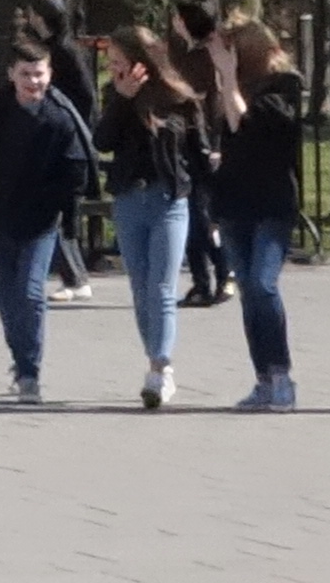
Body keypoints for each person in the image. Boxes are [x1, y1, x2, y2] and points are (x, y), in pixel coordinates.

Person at [0, 33, 102, 404]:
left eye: (40, 74)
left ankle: (30, 371)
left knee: (31, 293)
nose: (34, 82)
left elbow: (76, 170)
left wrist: (69, 216)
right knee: (7, 296)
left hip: (41, 220)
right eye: (27, 74)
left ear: (50, 74)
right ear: (12, 73)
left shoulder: (59, 119)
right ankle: (19, 359)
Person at [95, 27, 213, 406]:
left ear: (141, 61)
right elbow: (102, 142)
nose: (113, 68)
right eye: (110, 63)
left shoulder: (177, 97)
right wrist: (122, 100)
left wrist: (210, 204)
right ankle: (158, 362)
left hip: (168, 200)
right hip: (130, 198)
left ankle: (158, 370)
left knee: (161, 288)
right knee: (140, 287)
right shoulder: (115, 94)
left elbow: (197, 152)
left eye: (119, 61)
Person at [207, 20, 310, 410]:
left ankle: (282, 374)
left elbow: (246, 122)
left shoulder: (283, 89)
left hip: (271, 202)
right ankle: (264, 377)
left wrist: (230, 77)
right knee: (249, 290)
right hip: (235, 201)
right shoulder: (231, 89)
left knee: (264, 284)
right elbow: (230, 129)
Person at [23, 0, 102, 299]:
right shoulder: (52, 49)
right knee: (56, 208)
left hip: (68, 140)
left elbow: (86, 95)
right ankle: (72, 275)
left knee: (59, 209)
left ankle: (75, 278)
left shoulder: (65, 51)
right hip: (56, 138)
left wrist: (75, 126)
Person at [167, 0, 229, 306]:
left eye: (178, 18)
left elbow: (213, 102)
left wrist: (215, 145)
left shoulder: (202, 57)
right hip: (197, 140)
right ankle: (209, 277)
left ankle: (217, 273)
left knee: (197, 214)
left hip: (198, 142)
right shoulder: (198, 53)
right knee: (197, 213)